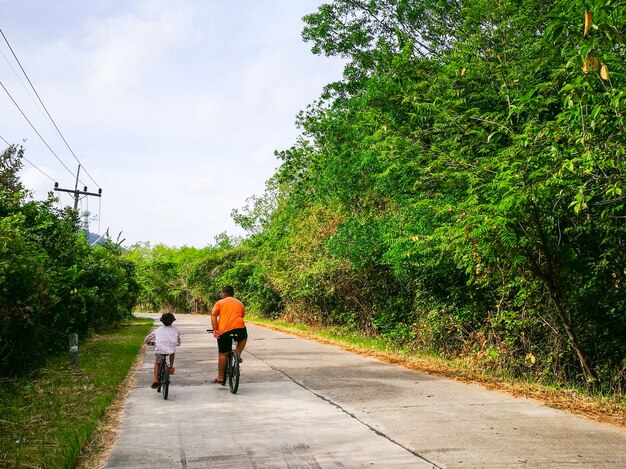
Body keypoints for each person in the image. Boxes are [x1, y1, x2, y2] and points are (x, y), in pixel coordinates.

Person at [210, 285, 247, 384]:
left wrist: (215, 330)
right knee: (244, 338)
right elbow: (242, 316)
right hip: (240, 329)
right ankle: (238, 354)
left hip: (224, 331)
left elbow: (213, 315)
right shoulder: (240, 303)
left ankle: (220, 377)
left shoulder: (220, 302)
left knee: (223, 354)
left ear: (224, 294)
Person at [144, 312, 181, 388]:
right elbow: (178, 341)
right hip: (171, 349)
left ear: (162, 321)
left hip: (160, 349)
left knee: (157, 362)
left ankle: (155, 379)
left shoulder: (158, 330)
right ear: (172, 321)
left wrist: (147, 342)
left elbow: (147, 339)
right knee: (172, 352)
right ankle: (171, 367)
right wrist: (177, 343)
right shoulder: (175, 330)